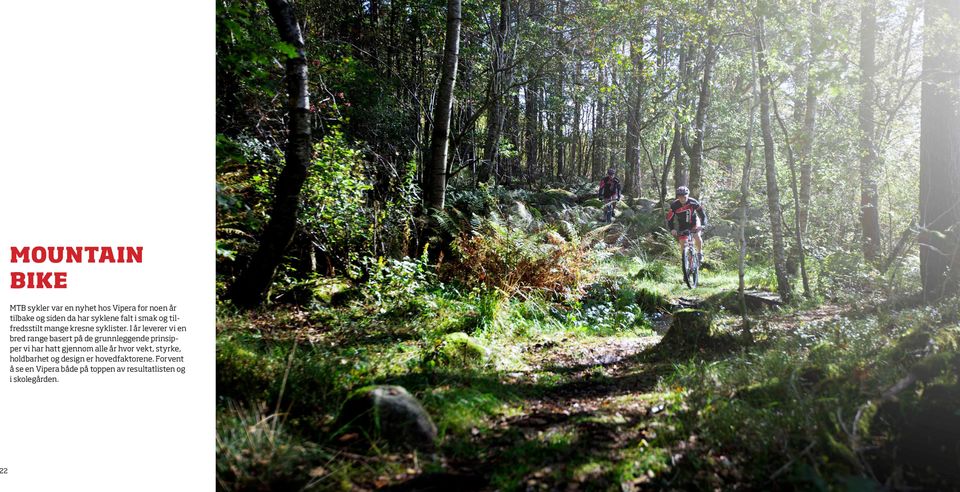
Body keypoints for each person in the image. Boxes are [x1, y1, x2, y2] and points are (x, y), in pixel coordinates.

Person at [665, 186, 708, 261]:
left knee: (697, 235)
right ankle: (687, 263)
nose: (682, 199)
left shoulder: (693, 202)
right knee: (683, 243)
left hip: (694, 221)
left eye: (684, 197)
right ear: (678, 197)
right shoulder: (674, 205)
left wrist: (703, 225)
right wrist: (672, 229)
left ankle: (700, 252)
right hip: (683, 225)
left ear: (687, 195)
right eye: (680, 197)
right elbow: (670, 218)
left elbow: (703, 215)